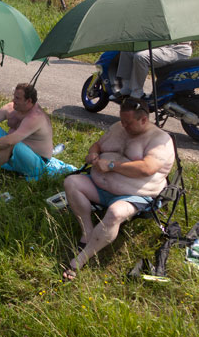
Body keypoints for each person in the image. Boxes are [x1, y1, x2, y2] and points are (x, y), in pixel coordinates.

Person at [61, 98, 175, 280]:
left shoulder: (160, 140)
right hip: (100, 187)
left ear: (143, 120)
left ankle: (80, 260)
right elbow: (98, 145)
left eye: (128, 123)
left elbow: (147, 168)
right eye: (122, 120)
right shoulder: (118, 127)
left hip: (135, 195)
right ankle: (87, 232)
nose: (123, 125)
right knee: (71, 183)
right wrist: (93, 153)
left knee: (115, 213)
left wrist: (112, 165)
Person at [114, 42, 192, 98]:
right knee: (127, 50)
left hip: (178, 48)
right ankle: (127, 87)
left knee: (141, 57)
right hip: (162, 45)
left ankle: (137, 92)